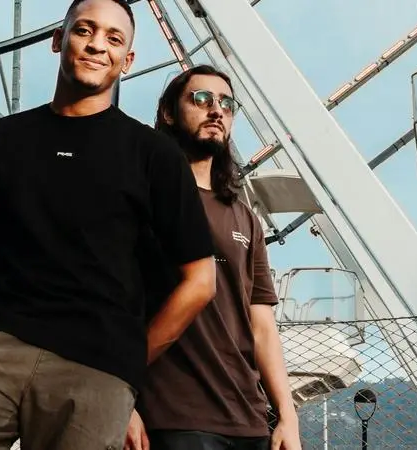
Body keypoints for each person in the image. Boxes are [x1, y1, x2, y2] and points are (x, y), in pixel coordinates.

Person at [0, 1, 217, 449]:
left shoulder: (154, 155)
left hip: (99, 358)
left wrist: (133, 360)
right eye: (84, 31)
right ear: (59, 40)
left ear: (128, 60)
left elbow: (200, 280)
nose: (98, 45)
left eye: (114, 39)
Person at [125, 65, 302, 450]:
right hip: (173, 414)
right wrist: (122, 401)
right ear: (169, 113)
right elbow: (110, 304)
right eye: (201, 99)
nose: (216, 110)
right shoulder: (142, 200)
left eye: (227, 103)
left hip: (249, 418)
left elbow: (262, 327)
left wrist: (287, 417)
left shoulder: (245, 218)